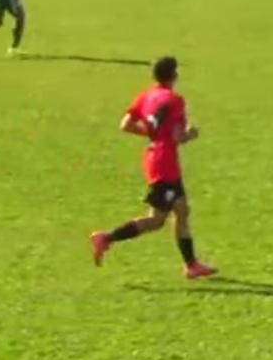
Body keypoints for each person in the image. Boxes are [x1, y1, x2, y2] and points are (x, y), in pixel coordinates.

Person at [89, 56, 218, 280]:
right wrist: (191, 134)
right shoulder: (175, 100)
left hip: (154, 158)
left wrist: (153, 135)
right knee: (157, 220)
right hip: (165, 163)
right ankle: (106, 238)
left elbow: (126, 125)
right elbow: (177, 136)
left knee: (182, 209)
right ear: (174, 75)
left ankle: (191, 265)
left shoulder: (145, 96)